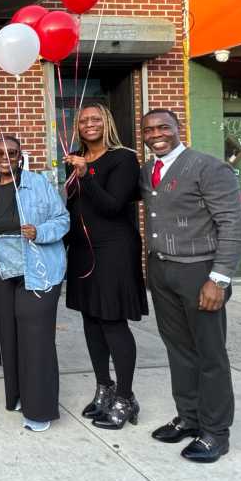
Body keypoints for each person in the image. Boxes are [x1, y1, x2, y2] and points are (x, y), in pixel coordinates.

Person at [140, 109, 241, 463]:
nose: (156, 134)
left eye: (163, 127)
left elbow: (232, 224)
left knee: (209, 354)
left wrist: (219, 278)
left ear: (177, 129)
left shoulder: (209, 167)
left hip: (200, 272)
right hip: (162, 270)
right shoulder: (148, 170)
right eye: (149, 129)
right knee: (178, 348)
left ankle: (216, 432)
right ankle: (189, 416)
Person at [0, 136, 70, 432]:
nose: (5, 157)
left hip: (36, 269)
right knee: (9, 335)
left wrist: (39, 231)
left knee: (35, 337)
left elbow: (63, 219)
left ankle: (39, 409)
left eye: (11, 153)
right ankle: (15, 395)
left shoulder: (37, 183)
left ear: (20, 157)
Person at [64, 102, 148, 430]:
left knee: (112, 322)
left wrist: (86, 175)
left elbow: (113, 206)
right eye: (83, 120)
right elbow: (75, 205)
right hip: (83, 250)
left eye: (95, 119)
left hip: (114, 249)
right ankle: (104, 387)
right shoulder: (75, 158)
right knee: (91, 320)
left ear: (106, 122)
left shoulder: (123, 158)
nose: (89, 124)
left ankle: (126, 397)